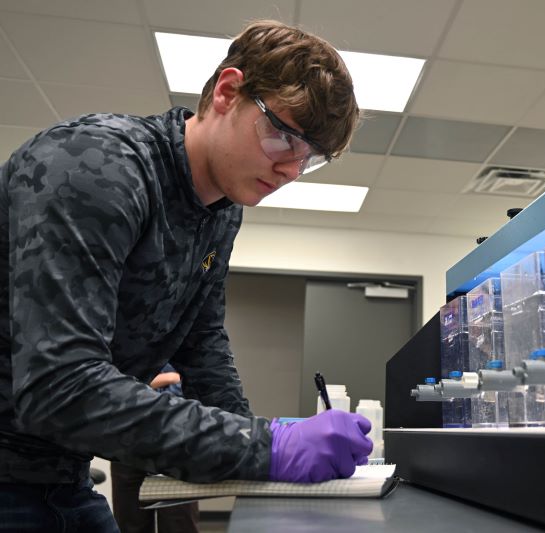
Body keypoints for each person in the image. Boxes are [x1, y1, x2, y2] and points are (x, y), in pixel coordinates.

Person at [0, 19, 371, 533]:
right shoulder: (98, 165)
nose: (290, 169)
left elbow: (202, 344)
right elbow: (59, 387)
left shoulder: (221, 210)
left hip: (60, 474)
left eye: (308, 159)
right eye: (284, 137)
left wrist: (256, 436)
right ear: (227, 91)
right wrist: (265, 447)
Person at [110, 365, 199, 533]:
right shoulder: (118, 342)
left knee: (179, 522)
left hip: (175, 439)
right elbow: (113, 385)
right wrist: (169, 378)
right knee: (129, 522)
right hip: (128, 439)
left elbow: (197, 384)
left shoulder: (184, 342)